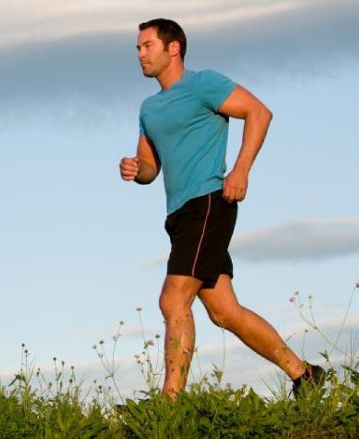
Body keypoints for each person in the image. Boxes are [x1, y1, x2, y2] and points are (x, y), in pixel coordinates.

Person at [119, 18, 324, 399]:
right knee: (224, 312)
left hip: (209, 203)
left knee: (172, 299)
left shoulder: (204, 84)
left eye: (147, 46)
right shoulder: (149, 108)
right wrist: (134, 169)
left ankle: (169, 405)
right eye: (138, 48)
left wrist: (241, 170)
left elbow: (259, 112)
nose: (140, 54)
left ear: (173, 48)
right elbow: (149, 167)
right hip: (179, 215)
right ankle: (305, 374)